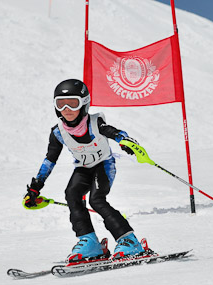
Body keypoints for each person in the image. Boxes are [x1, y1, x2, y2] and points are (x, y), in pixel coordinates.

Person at [23, 78, 145, 263]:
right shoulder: (58, 132)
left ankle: (129, 240)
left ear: (84, 104)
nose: (67, 110)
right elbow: (50, 159)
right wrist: (35, 187)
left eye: (73, 104)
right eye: (61, 104)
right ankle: (89, 242)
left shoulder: (95, 123)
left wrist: (125, 141)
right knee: (72, 194)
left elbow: (114, 132)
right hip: (83, 167)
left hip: (104, 165)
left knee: (96, 199)